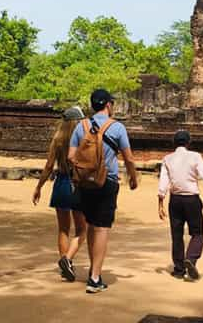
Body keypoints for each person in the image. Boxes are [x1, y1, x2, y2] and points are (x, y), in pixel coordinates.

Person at [68, 89, 138, 294]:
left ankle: (93, 271)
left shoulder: (81, 126)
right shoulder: (117, 127)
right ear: (108, 105)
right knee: (101, 228)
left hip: (84, 183)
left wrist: (86, 167)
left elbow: (71, 156)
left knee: (90, 225)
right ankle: (95, 277)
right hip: (106, 181)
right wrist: (133, 178)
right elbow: (129, 158)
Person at [157, 130, 203, 281]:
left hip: (175, 200)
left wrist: (160, 203)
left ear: (174, 143)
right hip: (191, 199)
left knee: (176, 235)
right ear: (188, 143)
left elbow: (163, 182)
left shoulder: (167, 159)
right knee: (197, 233)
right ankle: (191, 259)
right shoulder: (195, 156)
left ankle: (179, 269)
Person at [32, 106, 88, 282]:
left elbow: (49, 166)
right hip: (77, 184)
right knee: (81, 229)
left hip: (61, 183)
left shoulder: (57, 139)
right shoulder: (83, 138)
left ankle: (65, 265)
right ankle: (67, 259)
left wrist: (39, 187)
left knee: (63, 229)